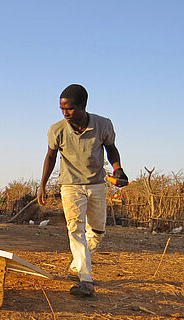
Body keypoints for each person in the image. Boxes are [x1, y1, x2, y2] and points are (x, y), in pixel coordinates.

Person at [37, 84, 127, 297]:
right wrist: (42, 185)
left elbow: (111, 148)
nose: (65, 113)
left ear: (83, 106)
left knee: (97, 232)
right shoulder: (57, 129)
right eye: (62, 109)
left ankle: (77, 265)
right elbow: (50, 156)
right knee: (75, 228)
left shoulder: (103, 125)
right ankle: (86, 279)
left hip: (96, 183)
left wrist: (118, 169)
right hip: (70, 185)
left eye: (69, 109)